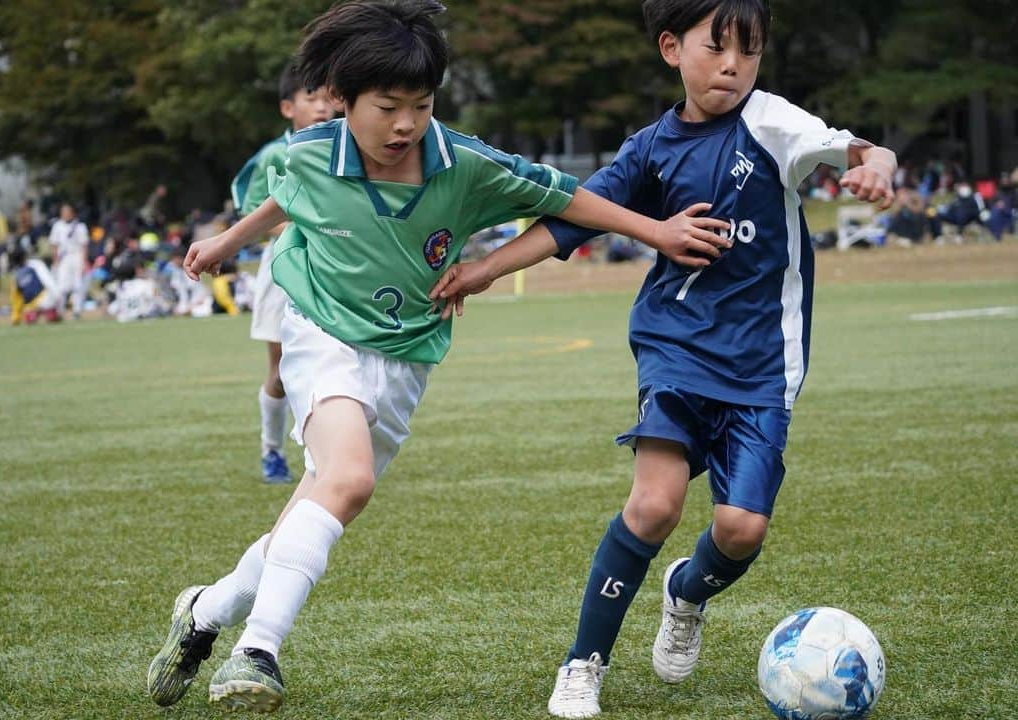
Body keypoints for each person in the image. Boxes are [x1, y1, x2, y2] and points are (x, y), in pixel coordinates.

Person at [146, 0, 728, 714]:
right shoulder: (309, 152)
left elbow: (570, 199)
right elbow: (286, 197)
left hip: (405, 355)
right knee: (350, 477)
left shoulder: (464, 165)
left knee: (319, 506)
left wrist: (656, 231)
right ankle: (256, 652)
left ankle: (204, 613)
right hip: (319, 328)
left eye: (419, 106)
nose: (404, 125)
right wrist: (228, 242)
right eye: (387, 106)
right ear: (341, 101)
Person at [430, 1, 896, 716]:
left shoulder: (771, 123)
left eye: (750, 50)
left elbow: (856, 149)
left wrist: (880, 163)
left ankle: (686, 592)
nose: (734, 65)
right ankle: (583, 663)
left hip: (763, 368)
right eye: (716, 48)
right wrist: (486, 270)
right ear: (672, 48)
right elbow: (571, 220)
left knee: (741, 531)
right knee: (653, 504)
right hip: (673, 347)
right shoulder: (650, 148)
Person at [231, 62, 335, 484]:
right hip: (284, 266)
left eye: (330, 98)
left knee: (331, 361)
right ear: (287, 108)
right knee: (279, 369)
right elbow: (251, 212)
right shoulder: (277, 154)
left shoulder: (345, 148)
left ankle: (325, 452)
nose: (323, 107)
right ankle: (271, 450)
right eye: (312, 98)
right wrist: (303, 225)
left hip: (331, 267)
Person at [49, 203, 89, 318]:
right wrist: (55, 260)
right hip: (64, 258)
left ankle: (77, 311)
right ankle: (59, 310)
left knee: (78, 285)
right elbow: (54, 244)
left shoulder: (80, 226)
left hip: (77, 256)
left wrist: (84, 262)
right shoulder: (57, 226)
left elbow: (84, 245)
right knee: (62, 285)